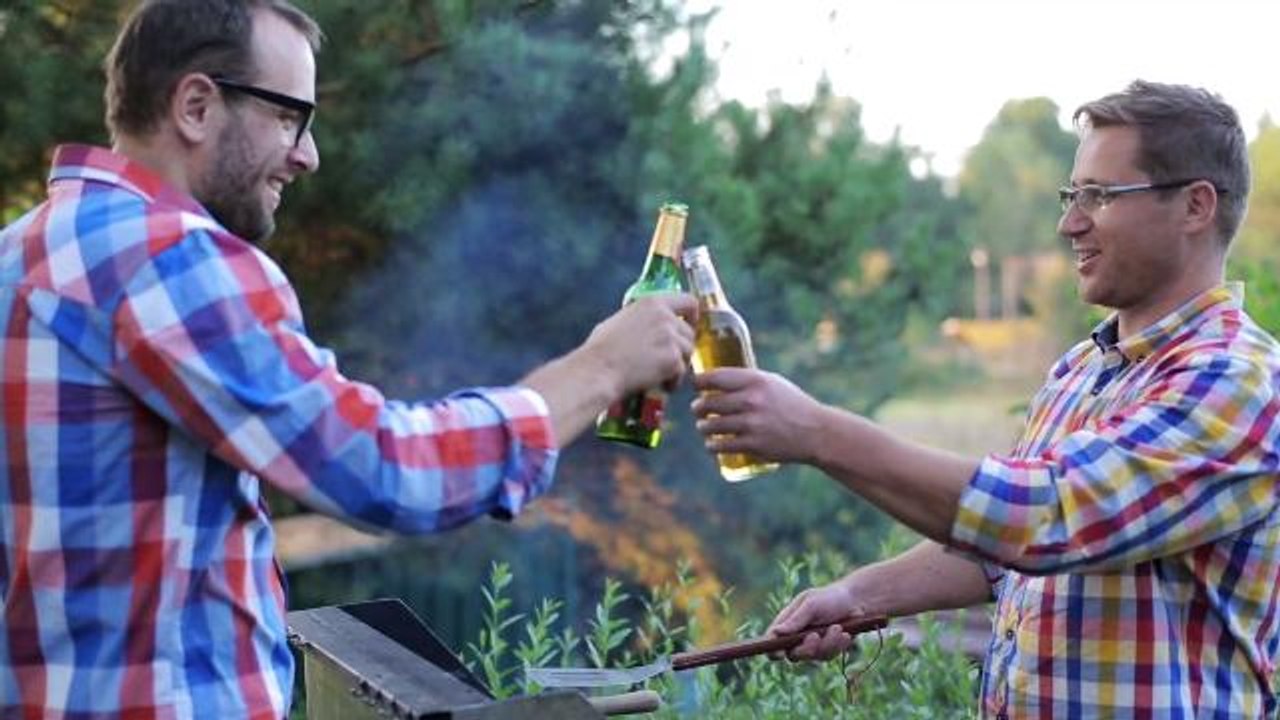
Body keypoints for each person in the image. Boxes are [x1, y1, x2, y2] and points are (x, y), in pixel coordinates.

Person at [0, 0, 697, 716]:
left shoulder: (21, 253)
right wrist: (600, 368)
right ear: (197, 106)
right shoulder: (170, 258)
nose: (308, 155)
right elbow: (383, 470)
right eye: (288, 117)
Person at [693, 80, 1279, 718]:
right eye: (1072, 196)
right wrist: (861, 595)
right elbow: (1000, 555)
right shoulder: (1081, 369)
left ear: (1195, 206)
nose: (1070, 223)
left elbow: (1043, 518)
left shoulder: (1238, 381)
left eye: (1101, 196)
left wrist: (815, 433)